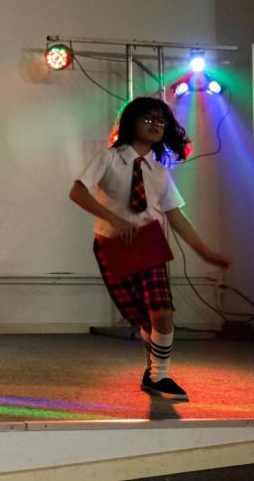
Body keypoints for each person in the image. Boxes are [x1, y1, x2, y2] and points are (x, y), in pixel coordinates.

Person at [70, 97, 231, 401]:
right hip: (112, 245)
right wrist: (114, 219)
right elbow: (77, 192)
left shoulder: (159, 171)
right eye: (148, 119)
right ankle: (152, 373)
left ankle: (160, 375)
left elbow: (177, 217)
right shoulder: (109, 158)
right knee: (143, 317)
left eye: (161, 121)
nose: (156, 125)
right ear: (131, 122)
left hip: (149, 244)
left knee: (162, 310)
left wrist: (205, 252)